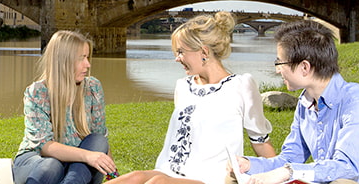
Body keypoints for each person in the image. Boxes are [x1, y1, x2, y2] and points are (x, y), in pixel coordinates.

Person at [109, 12, 275, 184]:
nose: (176, 58)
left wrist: (279, 176)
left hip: (213, 178)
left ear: (203, 51)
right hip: (169, 172)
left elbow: (261, 142)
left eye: (181, 52)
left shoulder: (241, 86)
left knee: (158, 183)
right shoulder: (183, 86)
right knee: (134, 177)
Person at [237, 20, 359, 184]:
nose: (277, 69)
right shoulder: (305, 103)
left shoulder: (357, 103)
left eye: (279, 62)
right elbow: (290, 157)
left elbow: (346, 167)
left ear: (304, 67)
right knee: (235, 177)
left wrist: (288, 172)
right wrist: (249, 165)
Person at [13, 30, 116, 184]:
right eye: (82, 58)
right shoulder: (38, 92)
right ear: (63, 61)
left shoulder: (93, 87)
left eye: (87, 57)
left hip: (78, 167)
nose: (87, 65)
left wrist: (113, 175)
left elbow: (100, 142)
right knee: (52, 164)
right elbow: (44, 147)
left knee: (98, 140)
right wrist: (88, 156)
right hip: (38, 161)